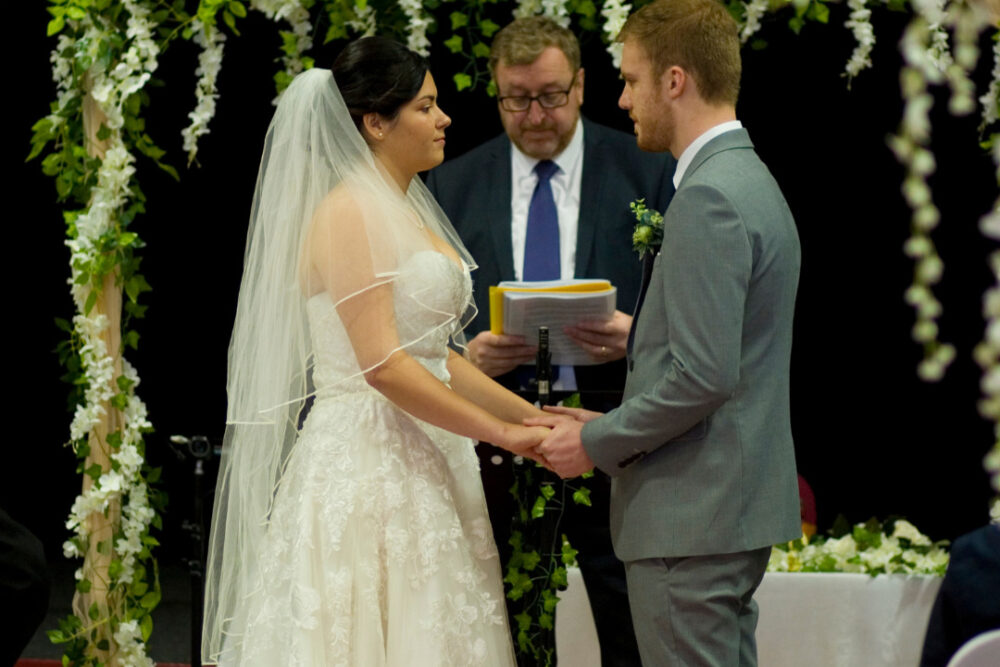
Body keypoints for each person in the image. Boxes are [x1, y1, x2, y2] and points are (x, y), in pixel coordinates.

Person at [201, 37, 552, 666]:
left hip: (431, 455)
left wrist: (534, 421)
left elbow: (441, 359)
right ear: (374, 123)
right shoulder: (348, 212)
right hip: (369, 462)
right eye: (426, 106)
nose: (444, 119)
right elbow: (385, 367)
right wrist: (504, 435)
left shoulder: (407, 210)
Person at [529, 1, 802, 665]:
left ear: (674, 81)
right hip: (723, 511)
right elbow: (731, 345)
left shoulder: (708, 197)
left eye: (630, 79)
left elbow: (704, 376)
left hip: (691, 518)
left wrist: (591, 439)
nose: (622, 99)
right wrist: (642, 335)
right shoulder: (748, 177)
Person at [425, 16, 675, 665]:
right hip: (500, 441)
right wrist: (468, 353)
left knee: (628, 624)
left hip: (614, 430)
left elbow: (685, 306)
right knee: (514, 627)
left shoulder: (645, 169)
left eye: (550, 96)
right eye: (516, 99)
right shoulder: (454, 183)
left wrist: (636, 337)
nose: (535, 115)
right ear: (496, 92)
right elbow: (426, 325)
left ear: (582, 85)